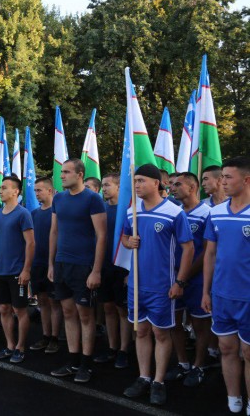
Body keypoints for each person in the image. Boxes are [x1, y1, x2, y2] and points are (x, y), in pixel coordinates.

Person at [122, 163, 194, 406]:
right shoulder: (133, 211)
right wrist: (128, 242)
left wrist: (180, 282)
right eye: (135, 181)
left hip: (163, 286)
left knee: (160, 333)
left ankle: (158, 381)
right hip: (136, 284)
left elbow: (188, 248)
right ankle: (143, 376)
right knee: (140, 331)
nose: (137, 186)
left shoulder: (174, 212)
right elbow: (124, 237)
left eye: (142, 180)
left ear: (156, 183)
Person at [48, 158, 106, 383]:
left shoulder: (93, 199)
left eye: (66, 172)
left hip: (84, 266)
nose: (61, 176)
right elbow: (54, 232)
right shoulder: (59, 199)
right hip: (62, 264)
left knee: (85, 315)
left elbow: (101, 235)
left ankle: (86, 364)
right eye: (61, 172)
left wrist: (96, 270)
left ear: (80, 174)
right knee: (68, 312)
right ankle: (72, 361)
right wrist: (52, 264)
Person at [202, 156, 250, 414]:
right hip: (222, 296)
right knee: (226, 348)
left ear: (246, 179)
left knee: (249, 352)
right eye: (222, 177)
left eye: (228, 177)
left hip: (248, 298)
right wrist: (206, 291)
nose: (223, 182)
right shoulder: (216, 213)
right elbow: (210, 254)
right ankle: (234, 398)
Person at [166, 172, 212, 386]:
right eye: (171, 184)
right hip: (173, 277)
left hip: (196, 279)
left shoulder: (207, 213)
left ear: (192, 188)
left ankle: (199, 365)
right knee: (174, 322)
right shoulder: (173, 213)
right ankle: (183, 363)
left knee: (200, 324)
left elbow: (207, 251)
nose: (172, 188)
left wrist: (185, 277)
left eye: (178, 184)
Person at [0, 176, 35, 364]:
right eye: (0, 188)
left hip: (17, 270)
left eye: (4, 188)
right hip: (0, 270)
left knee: (20, 309)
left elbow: (31, 243)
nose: (0, 191)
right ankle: (9, 345)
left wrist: (26, 270)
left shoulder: (23, 213)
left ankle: (20, 347)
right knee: (3, 308)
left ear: (15, 191)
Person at [95, 173, 130, 368]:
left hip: (121, 267)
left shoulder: (126, 210)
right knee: (107, 307)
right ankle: (112, 347)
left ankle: (124, 349)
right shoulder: (101, 208)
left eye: (108, 185)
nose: (104, 188)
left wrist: (129, 271)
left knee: (121, 309)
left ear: (118, 187)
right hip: (104, 265)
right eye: (103, 186)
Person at [29, 177, 61, 354]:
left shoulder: (57, 213)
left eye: (39, 190)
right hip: (37, 263)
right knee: (42, 301)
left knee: (54, 301)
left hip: (53, 264)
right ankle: (46, 335)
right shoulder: (34, 213)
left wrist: (53, 263)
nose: (36, 193)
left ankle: (55, 338)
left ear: (50, 191)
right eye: (35, 190)